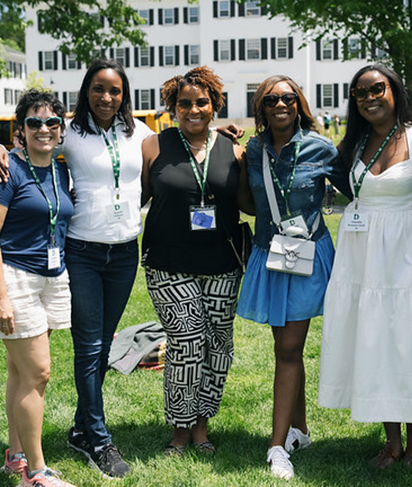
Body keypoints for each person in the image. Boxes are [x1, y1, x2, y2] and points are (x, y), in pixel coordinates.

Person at [0, 59, 152, 478]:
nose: (106, 97)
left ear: (124, 95)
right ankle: (97, 437)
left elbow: (174, 147)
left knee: (102, 346)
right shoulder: (70, 130)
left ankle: (81, 427)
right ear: (86, 91)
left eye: (114, 90)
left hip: (123, 253)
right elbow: (27, 148)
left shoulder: (136, 131)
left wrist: (226, 139)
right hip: (81, 252)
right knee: (90, 347)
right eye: (98, 89)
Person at [318, 64, 412, 469]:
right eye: (360, 93)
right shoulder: (352, 145)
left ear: (394, 90)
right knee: (373, 340)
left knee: (407, 342)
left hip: (411, 255)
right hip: (363, 256)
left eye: (377, 88)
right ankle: (391, 440)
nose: (369, 97)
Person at [236, 75, 351, 480]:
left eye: (287, 98)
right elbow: (247, 201)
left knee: (288, 349)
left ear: (298, 103)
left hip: (307, 254)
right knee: (287, 350)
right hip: (273, 255)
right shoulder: (254, 149)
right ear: (261, 108)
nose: (280, 105)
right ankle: (299, 431)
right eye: (271, 100)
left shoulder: (319, 146)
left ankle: (276, 447)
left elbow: (353, 189)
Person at [140, 66, 254, 457]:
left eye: (201, 102)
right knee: (187, 339)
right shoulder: (154, 146)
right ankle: (180, 427)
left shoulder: (233, 150)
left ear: (214, 105)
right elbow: (134, 196)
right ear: (172, 107)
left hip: (223, 263)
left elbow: (245, 203)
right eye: (184, 103)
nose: (193, 109)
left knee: (218, 344)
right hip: (167, 262)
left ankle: (203, 423)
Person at [0, 89, 77, 487]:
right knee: (38, 372)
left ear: (60, 129)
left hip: (51, 277)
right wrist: (0, 296)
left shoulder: (61, 170)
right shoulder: (5, 170)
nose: (44, 129)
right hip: (15, 275)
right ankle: (37, 473)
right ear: (20, 130)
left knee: (20, 370)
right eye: (34, 122)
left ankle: (16, 455)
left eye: (52, 122)